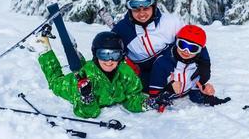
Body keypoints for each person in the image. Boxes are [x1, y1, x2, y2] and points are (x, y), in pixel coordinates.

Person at [112, 0, 211, 93]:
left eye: (146, 8)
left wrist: (204, 63)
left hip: (170, 69)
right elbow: (109, 52)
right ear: (129, 10)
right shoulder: (122, 30)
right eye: (136, 10)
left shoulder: (170, 22)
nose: (142, 14)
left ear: (153, 6)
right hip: (143, 73)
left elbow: (193, 39)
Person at [36, 31, 166, 118]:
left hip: (91, 69)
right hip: (72, 86)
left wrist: (149, 102)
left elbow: (132, 97)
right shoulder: (84, 79)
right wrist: (86, 97)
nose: (109, 61)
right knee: (55, 82)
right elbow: (87, 112)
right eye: (104, 54)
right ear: (95, 54)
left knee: (81, 65)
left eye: (114, 55)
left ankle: (74, 51)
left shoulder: (125, 73)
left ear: (121, 56)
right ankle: (43, 48)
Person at [149, 25, 231, 106]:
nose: (186, 51)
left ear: (199, 51)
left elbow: (194, 93)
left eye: (193, 48)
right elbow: (153, 99)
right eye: (182, 45)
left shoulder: (198, 65)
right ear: (176, 42)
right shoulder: (162, 63)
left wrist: (205, 94)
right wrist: (169, 90)